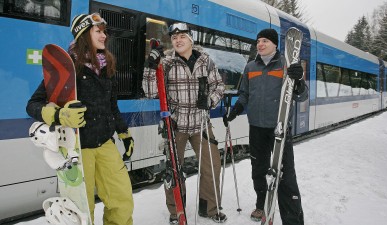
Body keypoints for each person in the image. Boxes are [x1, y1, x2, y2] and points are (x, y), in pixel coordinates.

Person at [26, 13, 134, 225]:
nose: (104, 36)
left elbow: (112, 105)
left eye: (104, 31)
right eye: (98, 31)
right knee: (83, 208)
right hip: (78, 148)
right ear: (84, 34)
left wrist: (124, 133)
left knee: (122, 200)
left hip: (105, 144)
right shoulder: (67, 67)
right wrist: (59, 115)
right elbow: (33, 104)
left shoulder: (107, 67)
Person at [143, 22, 226, 224]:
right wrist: (150, 67)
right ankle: (176, 211)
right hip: (175, 126)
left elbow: (219, 86)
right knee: (173, 171)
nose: (178, 40)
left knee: (212, 166)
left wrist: (211, 100)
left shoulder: (205, 61)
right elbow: (150, 92)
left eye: (182, 36)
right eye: (174, 37)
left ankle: (210, 208)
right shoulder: (167, 62)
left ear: (191, 39)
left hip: (201, 124)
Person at [224, 28, 307, 225]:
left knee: (286, 175)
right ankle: (262, 204)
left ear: (275, 44)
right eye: (258, 41)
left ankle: (292, 219)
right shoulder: (251, 66)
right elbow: (244, 93)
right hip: (257, 127)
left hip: (279, 129)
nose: (260, 44)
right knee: (258, 170)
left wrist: (299, 81)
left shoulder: (287, 65)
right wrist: (236, 109)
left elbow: (300, 96)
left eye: (264, 41)